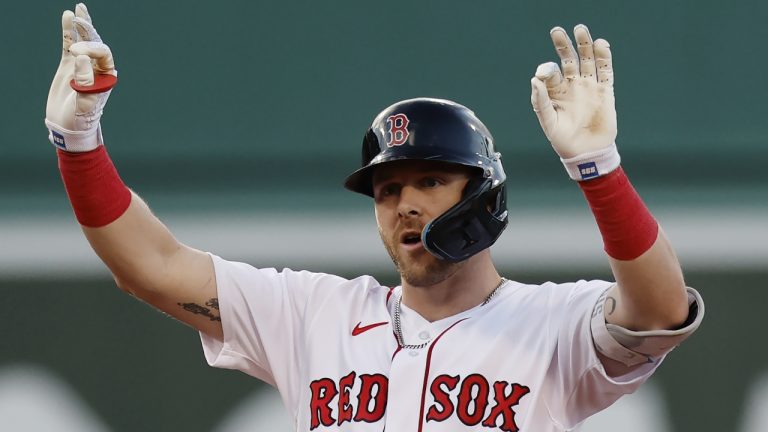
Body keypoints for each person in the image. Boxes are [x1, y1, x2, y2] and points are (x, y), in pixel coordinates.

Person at [45, 3, 704, 431]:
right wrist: (78, 146)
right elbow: (152, 267)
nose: (406, 203)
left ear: (484, 196)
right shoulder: (313, 315)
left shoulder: (551, 325)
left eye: (431, 179)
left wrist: (599, 169)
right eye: (387, 190)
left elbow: (659, 308)